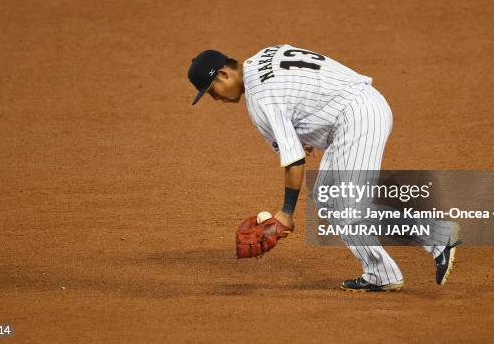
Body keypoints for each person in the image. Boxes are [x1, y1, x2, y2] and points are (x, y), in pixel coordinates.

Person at [187, 45, 460, 291]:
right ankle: (381, 273)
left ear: (223, 74)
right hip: (354, 110)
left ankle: (437, 236)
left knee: (349, 208)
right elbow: (300, 91)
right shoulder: (263, 56)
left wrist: (287, 213)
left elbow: (294, 161)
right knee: (329, 201)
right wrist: (305, 133)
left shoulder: (259, 97)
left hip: (356, 117)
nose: (216, 98)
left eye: (211, 91)